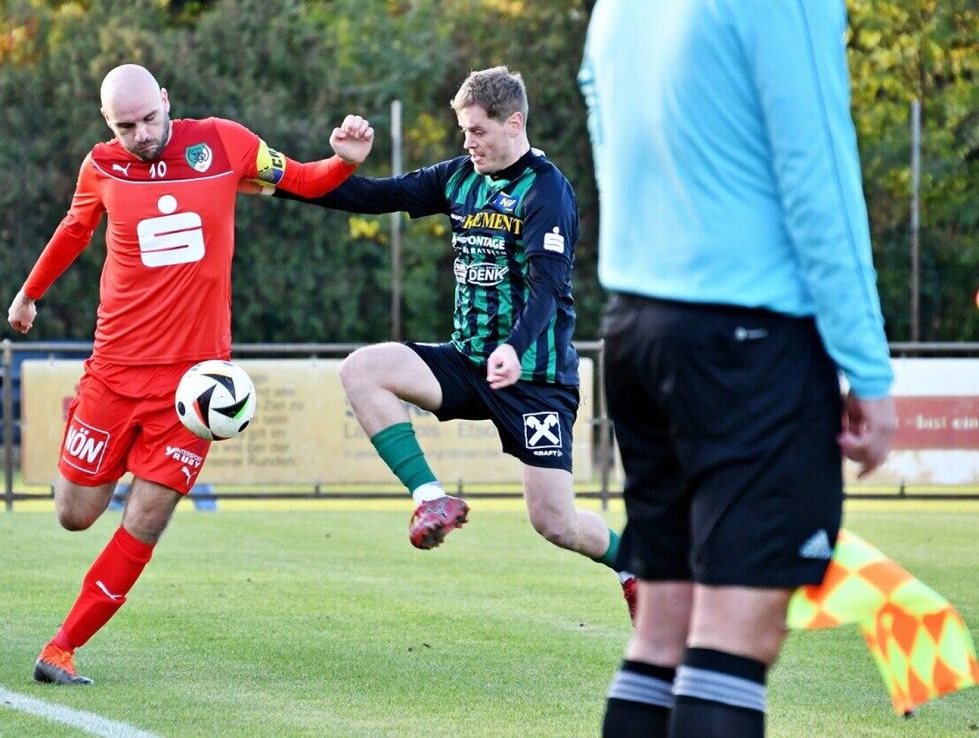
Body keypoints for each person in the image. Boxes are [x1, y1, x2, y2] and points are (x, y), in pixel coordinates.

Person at [579, 2, 898, 735]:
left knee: (662, 633)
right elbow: (819, 174)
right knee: (732, 638)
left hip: (636, 324)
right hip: (747, 342)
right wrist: (868, 368)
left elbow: (607, 137)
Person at [7, 63, 374, 685]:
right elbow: (73, 230)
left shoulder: (225, 143)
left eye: (149, 119)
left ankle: (61, 648)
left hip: (194, 389)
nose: (141, 134)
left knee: (147, 519)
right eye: (126, 126)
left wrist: (343, 161)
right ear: (107, 123)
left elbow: (303, 180)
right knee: (73, 513)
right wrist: (28, 295)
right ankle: (113, 455)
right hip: (113, 373)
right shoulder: (101, 167)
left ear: (166, 99)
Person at [264, 66, 638, 620]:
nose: (468, 142)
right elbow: (374, 196)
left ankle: (636, 567)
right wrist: (310, 171)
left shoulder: (548, 191)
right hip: (465, 363)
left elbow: (547, 288)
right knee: (363, 369)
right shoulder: (459, 178)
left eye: (478, 130)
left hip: (534, 378)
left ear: (514, 124)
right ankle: (431, 498)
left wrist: (513, 347)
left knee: (556, 524)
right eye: (464, 131)